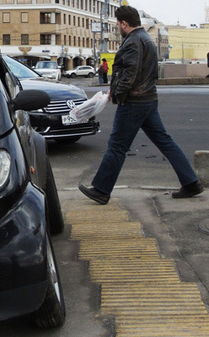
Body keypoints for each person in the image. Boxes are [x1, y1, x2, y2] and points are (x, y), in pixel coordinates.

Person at [79, 5, 203, 205]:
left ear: (124, 23)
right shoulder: (146, 39)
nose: (117, 27)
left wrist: (117, 94)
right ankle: (191, 182)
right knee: (165, 141)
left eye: (118, 24)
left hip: (134, 102)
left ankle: (101, 190)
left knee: (117, 146)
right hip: (148, 99)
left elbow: (130, 74)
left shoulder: (133, 42)